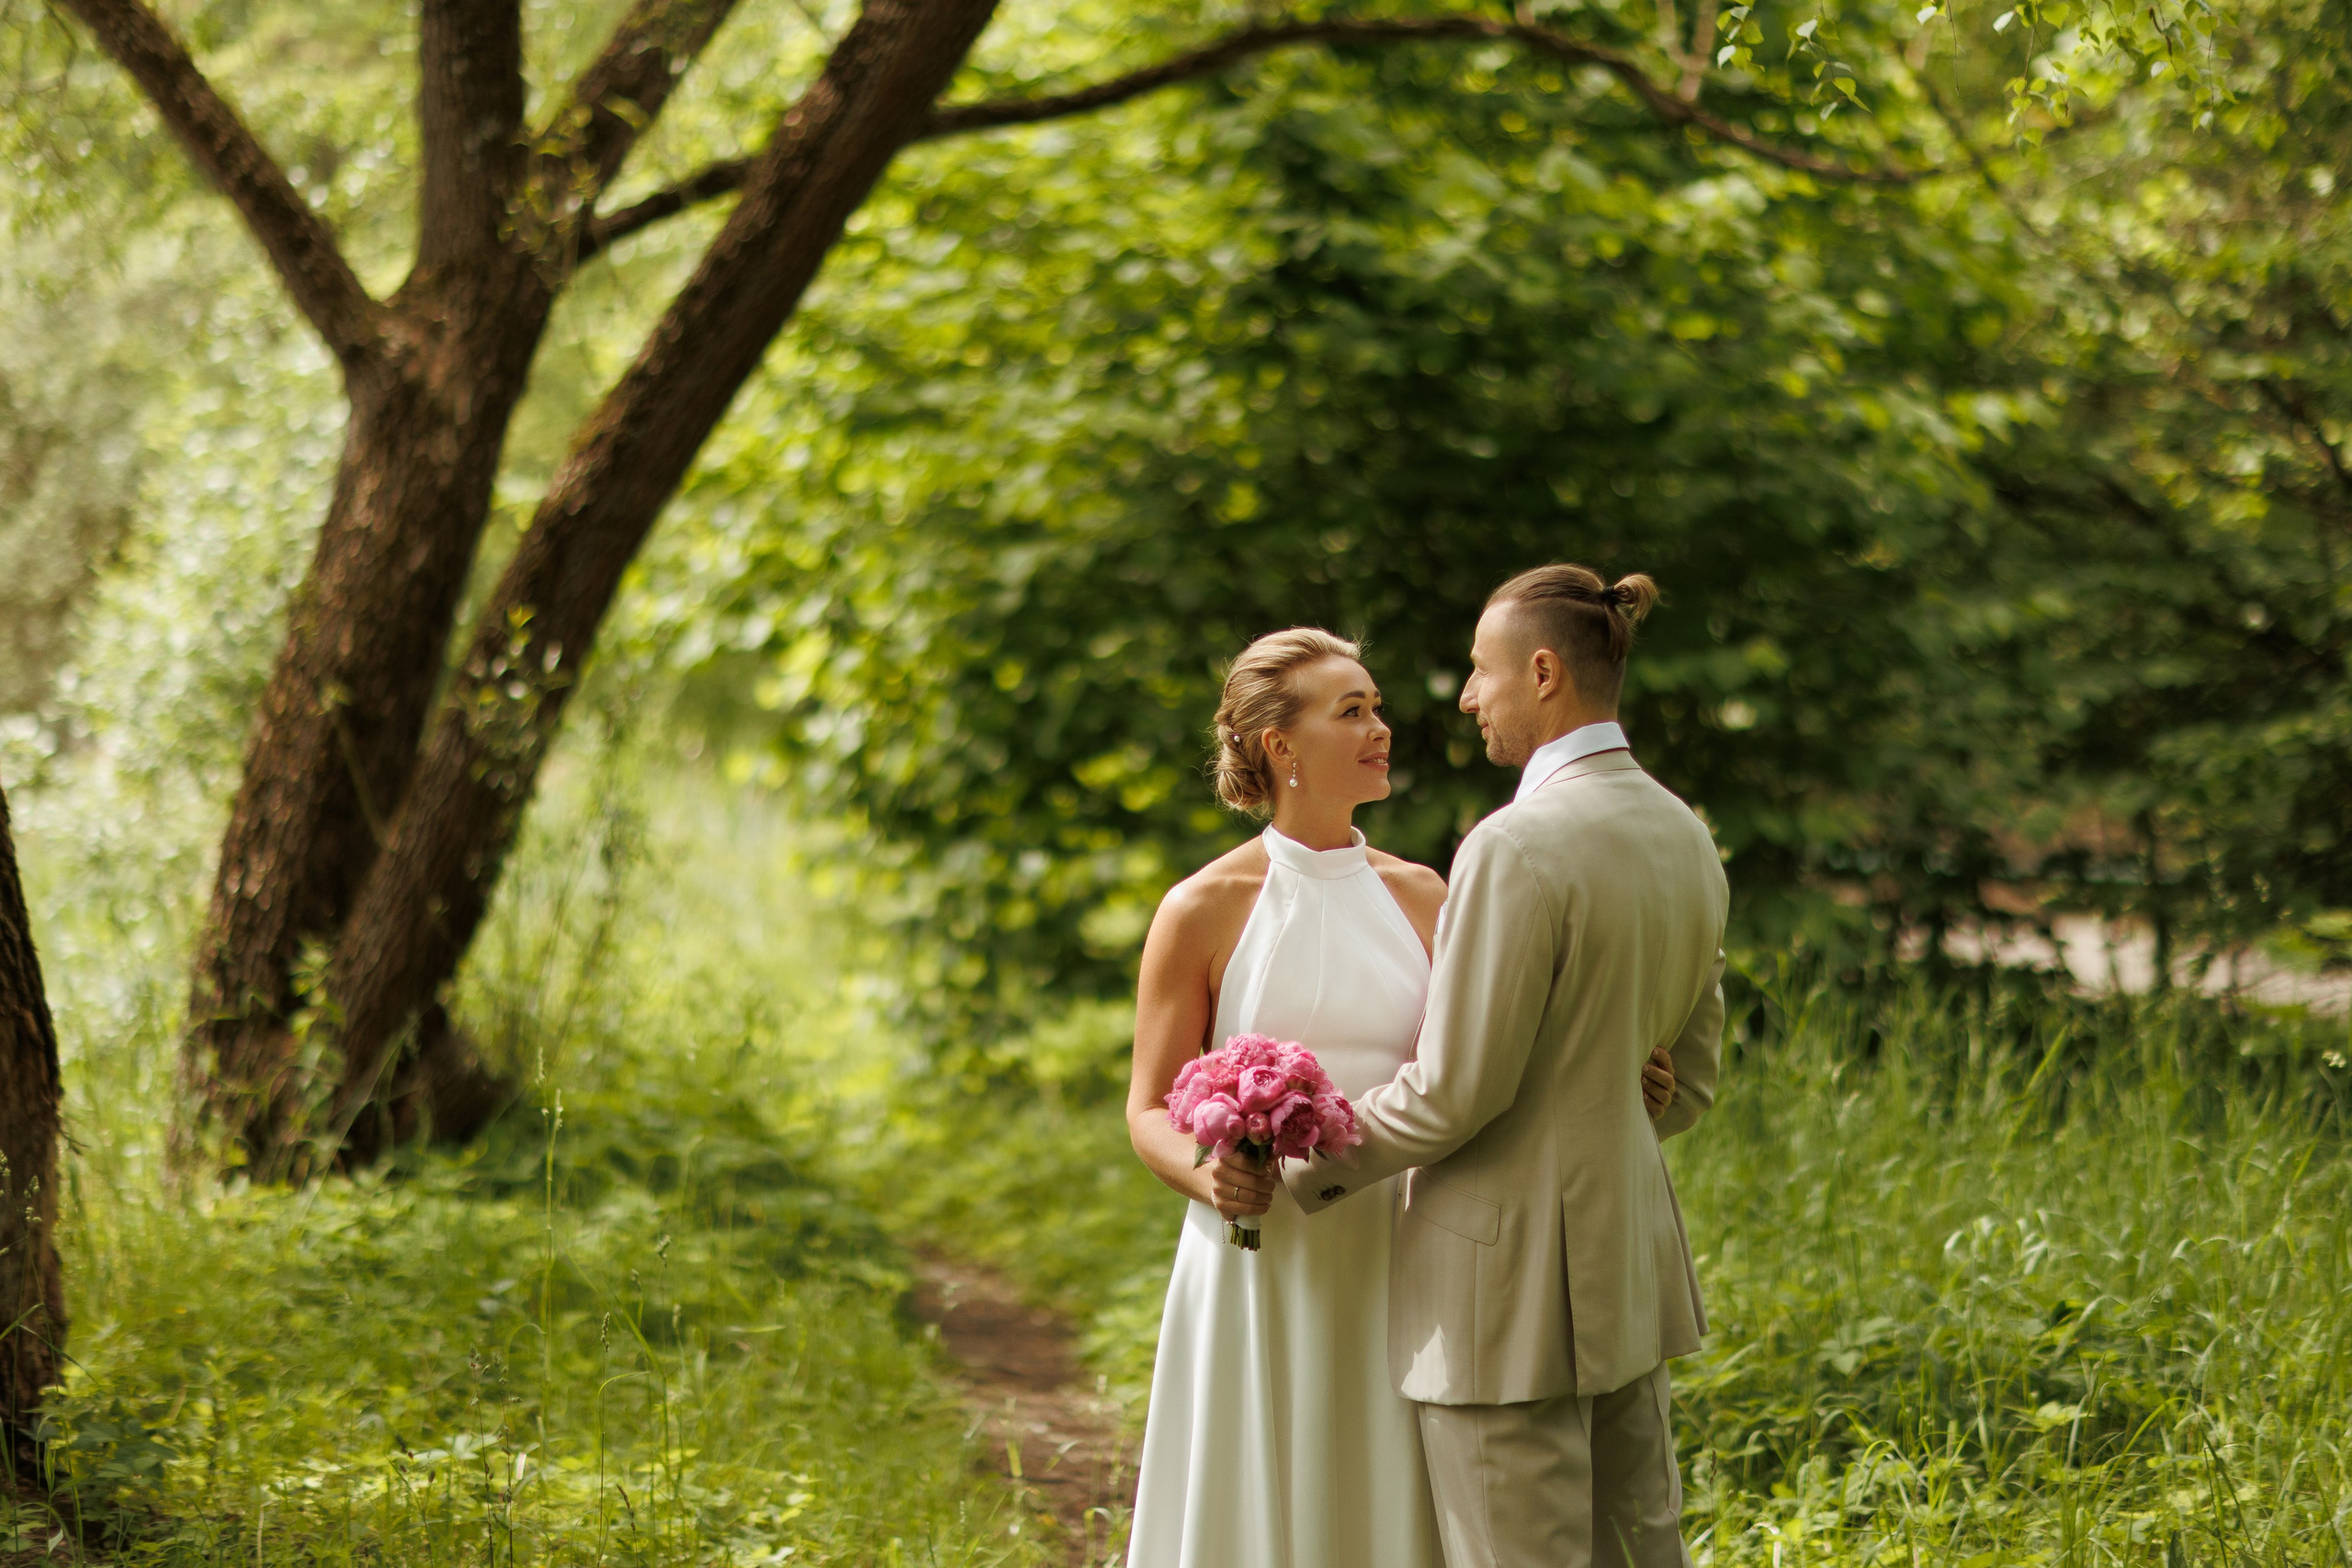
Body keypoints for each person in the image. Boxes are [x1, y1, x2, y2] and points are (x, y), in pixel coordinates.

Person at [1123, 624, 1679, 1568]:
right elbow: (1145, 1111)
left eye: (1376, 706)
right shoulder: (1201, 909)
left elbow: (1480, 1068)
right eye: (1352, 712)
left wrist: (1610, 1070)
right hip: (1263, 1264)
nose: (1382, 727)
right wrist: (1210, 1175)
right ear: (1278, 747)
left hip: (1404, 1252)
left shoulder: (1426, 895)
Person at [1280, 566, 1728, 1568]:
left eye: (1481, 674)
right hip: (1629, 1276)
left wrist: (1303, 1153)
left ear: (1540, 672)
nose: (1466, 697)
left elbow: (1454, 1090)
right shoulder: (1684, 835)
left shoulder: (1514, 845)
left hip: (1503, 1289)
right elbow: (1687, 1086)